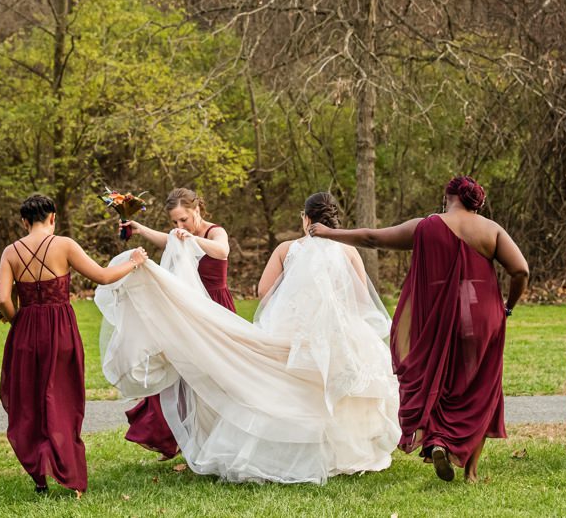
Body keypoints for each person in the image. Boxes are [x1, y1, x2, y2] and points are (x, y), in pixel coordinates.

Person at [94, 192, 399, 484]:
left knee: (286, 388)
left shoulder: (287, 249)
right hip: (339, 333)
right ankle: (344, 453)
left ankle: (291, 452)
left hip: (294, 330)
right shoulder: (348, 250)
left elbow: (264, 292)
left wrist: (294, 297)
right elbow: (361, 296)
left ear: (306, 219)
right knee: (340, 389)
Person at [310, 176, 529, 483]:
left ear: (448, 196)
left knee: (439, 379)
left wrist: (329, 232)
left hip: (437, 318)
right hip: (481, 314)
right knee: (481, 385)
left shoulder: (425, 226)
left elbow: (373, 237)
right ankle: (471, 472)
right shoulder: (491, 230)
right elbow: (520, 269)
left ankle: (438, 440)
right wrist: (509, 304)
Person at [0, 194, 147, 495]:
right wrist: (134, 261)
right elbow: (103, 277)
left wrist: (18, 322)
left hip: (26, 329)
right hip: (60, 329)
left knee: (31, 400)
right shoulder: (64, 245)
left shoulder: (10, 252)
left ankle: (40, 473)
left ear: (24, 221)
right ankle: (69, 472)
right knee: (62, 397)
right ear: (53, 217)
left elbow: (2, 299)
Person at [119, 188, 234, 459]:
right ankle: (179, 436)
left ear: (197, 209)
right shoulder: (179, 234)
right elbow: (169, 241)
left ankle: (220, 436)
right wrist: (139, 229)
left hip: (215, 308)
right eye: (175, 222)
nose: (179, 226)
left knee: (216, 374)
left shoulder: (214, 231)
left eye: (184, 219)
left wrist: (192, 238)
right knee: (179, 371)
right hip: (188, 311)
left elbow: (222, 250)